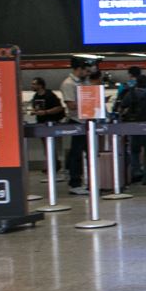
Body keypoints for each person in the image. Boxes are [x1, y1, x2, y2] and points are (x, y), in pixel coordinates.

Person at [60, 60, 92, 194]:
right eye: (86, 70)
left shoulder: (84, 82)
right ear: (79, 69)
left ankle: (89, 180)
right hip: (76, 121)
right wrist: (89, 102)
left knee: (88, 153)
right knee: (76, 153)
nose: (88, 73)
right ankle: (75, 182)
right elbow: (71, 105)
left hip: (87, 120)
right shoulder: (68, 84)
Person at [124, 74, 146, 185]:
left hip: (134, 127)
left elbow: (122, 107)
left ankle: (136, 173)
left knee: (135, 151)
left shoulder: (130, 94)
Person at [28, 76, 64, 178]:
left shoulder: (50, 95)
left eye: (34, 84)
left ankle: (54, 166)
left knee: (51, 146)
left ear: (40, 85)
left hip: (52, 123)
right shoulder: (36, 96)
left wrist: (46, 112)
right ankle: (52, 165)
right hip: (42, 123)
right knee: (47, 146)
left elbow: (59, 108)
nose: (32, 86)